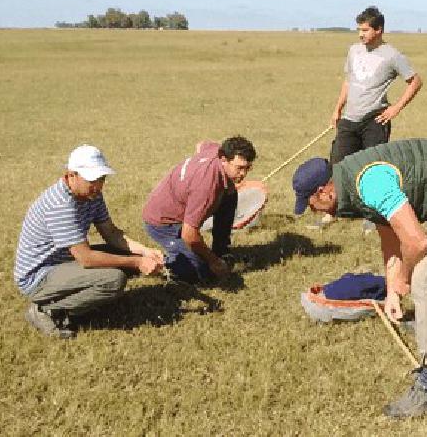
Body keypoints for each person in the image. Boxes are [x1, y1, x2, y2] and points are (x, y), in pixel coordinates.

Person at [291, 138, 427, 418]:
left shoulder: (369, 184)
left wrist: (404, 279)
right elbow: (390, 239)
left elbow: (417, 243)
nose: (314, 212)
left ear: (324, 192)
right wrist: (393, 291)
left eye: (311, 205)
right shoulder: (352, 181)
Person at [14, 144, 166, 340]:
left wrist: (144, 252)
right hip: (39, 275)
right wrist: (137, 262)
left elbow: (111, 233)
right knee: (113, 279)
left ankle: (71, 298)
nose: (99, 185)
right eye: (92, 179)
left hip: (63, 261)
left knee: (126, 258)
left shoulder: (92, 195)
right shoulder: (61, 205)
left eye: (102, 178)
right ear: (71, 175)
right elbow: (86, 258)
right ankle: (47, 310)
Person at [318, 6, 423, 228]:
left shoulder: (393, 55)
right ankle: (333, 211)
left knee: (372, 169)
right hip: (349, 117)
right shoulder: (354, 50)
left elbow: (415, 81)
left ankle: (372, 218)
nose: (360, 34)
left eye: (365, 30)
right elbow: (349, 81)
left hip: (375, 120)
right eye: (359, 29)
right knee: (338, 164)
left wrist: (396, 108)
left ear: (379, 30)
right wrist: (337, 108)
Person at [142, 136, 256, 284]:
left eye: (247, 168)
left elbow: (202, 144)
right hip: (163, 223)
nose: (243, 174)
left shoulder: (215, 151)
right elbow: (189, 234)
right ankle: (151, 261)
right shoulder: (206, 187)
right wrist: (213, 262)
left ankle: (222, 250)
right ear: (223, 160)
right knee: (197, 272)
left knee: (230, 193)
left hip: (181, 206)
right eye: (239, 168)